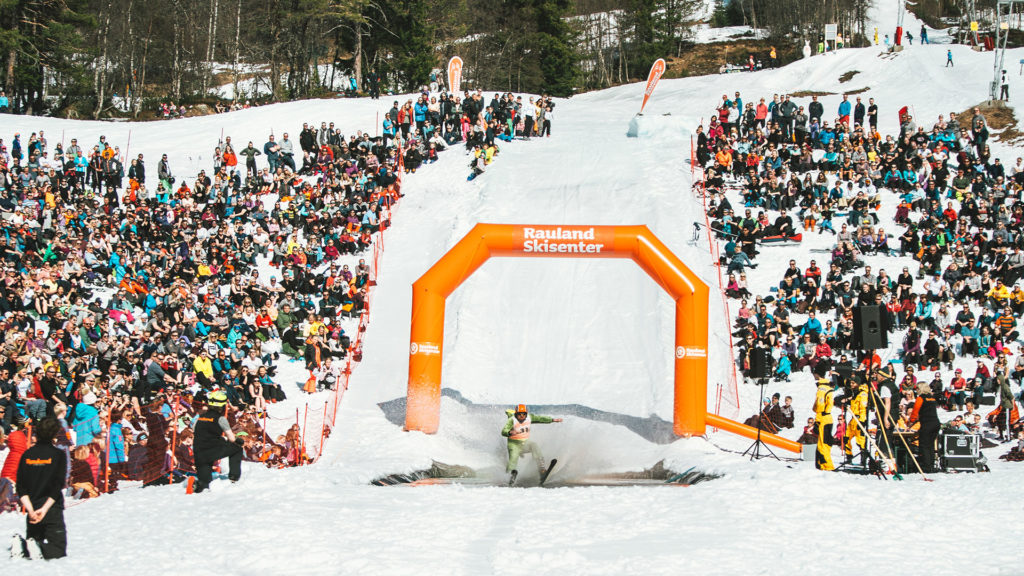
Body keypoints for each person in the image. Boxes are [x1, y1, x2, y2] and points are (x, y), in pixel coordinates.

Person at [15, 417, 67, 560]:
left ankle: (23, 546)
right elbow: (57, 485)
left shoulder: (27, 455)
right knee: (58, 550)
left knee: (33, 551)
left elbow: (21, 486)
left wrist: (31, 510)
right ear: (55, 434)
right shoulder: (58, 455)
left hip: (32, 508)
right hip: (51, 509)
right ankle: (28, 547)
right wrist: (44, 510)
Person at [191, 390, 244, 493]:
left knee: (205, 481)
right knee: (237, 449)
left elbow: (195, 430)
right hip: (213, 450)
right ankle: (234, 477)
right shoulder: (221, 419)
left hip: (199, 452)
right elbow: (232, 439)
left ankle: (199, 485)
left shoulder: (200, 418)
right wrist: (238, 441)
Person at [502, 404, 561, 483]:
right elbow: (503, 431)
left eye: (524, 414)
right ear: (516, 414)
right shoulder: (511, 420)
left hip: (525, 444)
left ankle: (542, 470)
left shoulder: (529, 417)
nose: (522, 416)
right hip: (514, 445)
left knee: (534, 445)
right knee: (513, 458)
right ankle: (510, 475)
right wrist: (510, 432)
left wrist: (552, 420)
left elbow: (540, 419)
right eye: (519, 414)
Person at [908, 383, 940, 473]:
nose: (916, 391)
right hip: (935, 423)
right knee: (930, 445)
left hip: (927, 424)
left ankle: (926, 466)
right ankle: (931, 465)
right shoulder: (932, 398)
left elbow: (915, 411)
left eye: (917, 389)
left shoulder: (920, 398)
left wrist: (911, 422)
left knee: (924, 445)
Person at [813, 377, 836, 470]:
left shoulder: (821, 389)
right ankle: (821, 464)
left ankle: (827, 465)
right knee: (825, 442)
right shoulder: (829, 389)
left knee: (823, 444)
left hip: (823, 418)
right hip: (828, 418)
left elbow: (819, 405)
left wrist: (817, 421)